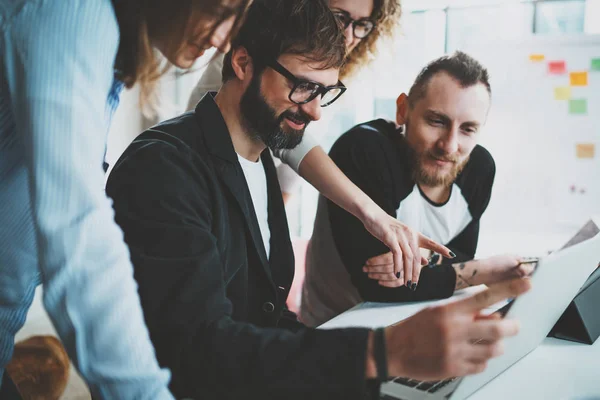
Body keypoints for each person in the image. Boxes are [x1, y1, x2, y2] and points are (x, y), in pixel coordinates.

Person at [106, 2, 530, 398]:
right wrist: (380, 352)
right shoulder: (163, 170)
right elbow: (201, 351)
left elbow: (265, 321)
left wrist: (376, 369)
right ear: (241, 63)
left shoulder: (259, 161)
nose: (315, 113)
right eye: (303, 87)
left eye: (325, 92)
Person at [0, 0, 250, 397]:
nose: (223, 39)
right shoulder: (72, 11)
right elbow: (78, 240)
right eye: (216, 7)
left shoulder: (103, 39)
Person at [187, 0, 437, 285]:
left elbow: (283, 181)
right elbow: (281, 138)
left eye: (361, 25)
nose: (349, 35)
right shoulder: (254, 58)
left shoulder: (323, 80)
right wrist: (373, 214)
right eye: (340, 17)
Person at [300, 52, 535, 327]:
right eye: (437, 121)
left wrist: (429, 257)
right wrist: (485, 270)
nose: (449, 146)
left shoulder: (480, 168)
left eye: (468, 129)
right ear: (403, 110)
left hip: (422, 327)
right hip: (337, 331)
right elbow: (379, 286)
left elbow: (462, 254)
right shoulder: (364, 151)